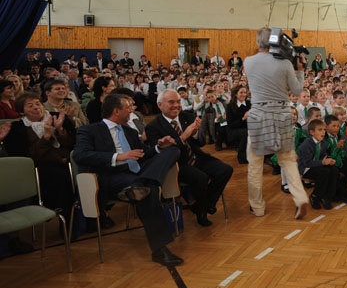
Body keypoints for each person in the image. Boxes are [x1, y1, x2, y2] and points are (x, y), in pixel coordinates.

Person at [72, 93, 182, 266]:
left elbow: (143, 153)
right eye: (129, 107)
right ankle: (160, 250)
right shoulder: (89, 130)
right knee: (150, 192)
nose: (133, 109)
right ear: (116, 111)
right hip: (111, 175)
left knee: (172, 151)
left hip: (137, 173)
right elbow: (80, 155)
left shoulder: (130, 131)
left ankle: (142, 182)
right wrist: (119, 156)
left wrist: (159, 147)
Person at [244, 28, 308, 219]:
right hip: (282, 114)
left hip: (258, 115)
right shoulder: (286, 64)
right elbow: (297, 91)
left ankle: (257, 207)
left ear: (258, 43)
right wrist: (300, 70)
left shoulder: (248, 62)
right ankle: (300, 199)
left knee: (255, 164)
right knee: (288, 161)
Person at [145, 89, 232, 227]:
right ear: (160, 104)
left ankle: (203, 205)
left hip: (196, 157)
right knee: (201, 178)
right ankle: (201, 213)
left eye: (178, 101)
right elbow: (164, 154)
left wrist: (196, 133)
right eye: (171, 102)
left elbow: (201, 143)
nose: (176, 105)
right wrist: (184, 136)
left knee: (225, 170)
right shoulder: (153, 127)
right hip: (177, 164)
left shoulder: (187, 116)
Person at [4, 92, 75, 221]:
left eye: (38, 104)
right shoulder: (17, 128)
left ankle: (90, 217)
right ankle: (66, 220)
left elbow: (71, 146)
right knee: (61, 178)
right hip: (38, 167)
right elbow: (28, 157)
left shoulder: (56, 118)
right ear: (22, 112)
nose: (36, 107)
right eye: (30, 106)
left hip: (66, 162)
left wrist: (59, 130)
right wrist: (46, 136)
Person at [226, 85, 250, 164]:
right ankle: (242, 157)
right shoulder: (230, 106)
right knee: (246, 133)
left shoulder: (249, 104)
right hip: (234, 130)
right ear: (236, 94)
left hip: (248, 127)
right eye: (241, 92)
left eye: (245, 92)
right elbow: (231, 124)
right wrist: (243, 118)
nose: (243, 94)